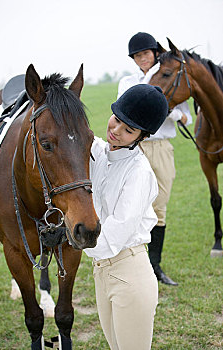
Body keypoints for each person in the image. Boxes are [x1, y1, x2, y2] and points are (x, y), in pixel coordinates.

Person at [84, 84, 168, 350]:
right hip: (101, 271)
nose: (116, 131)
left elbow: (114, 234)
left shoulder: (139, 173)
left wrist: (69, 238)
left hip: (129, 272)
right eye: (117, 120)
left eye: (128, 130)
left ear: (141, 136)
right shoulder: (97, 151)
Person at [117, 32, 193, 286]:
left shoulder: (169, 78)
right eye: (137, 56)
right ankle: (130, 264)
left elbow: (187, 117)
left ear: (155, 54)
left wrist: (170, 112)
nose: (142, 59)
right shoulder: (128, 82)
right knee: (131, 205)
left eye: (145, 54)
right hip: (136, 148)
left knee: (159, 207)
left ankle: (155, 267)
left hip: (161, 148)